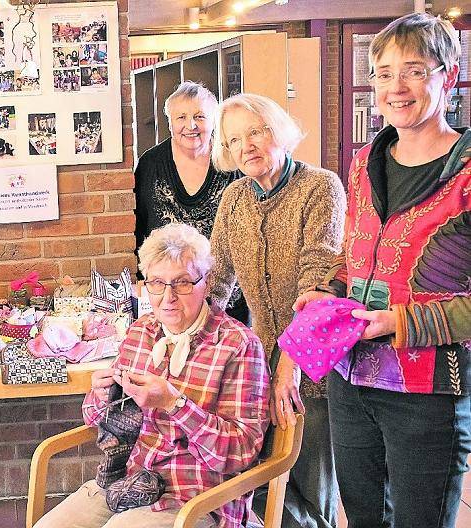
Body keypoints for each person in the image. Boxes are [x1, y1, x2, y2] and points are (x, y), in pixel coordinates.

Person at [294, 13, 470, 528]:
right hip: (353, 379)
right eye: (384, 72)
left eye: (414, 70)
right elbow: (357, 259)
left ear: (448, 75)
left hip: (429, 393)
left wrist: (401, 322)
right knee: (365, 518)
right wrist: (328, 292)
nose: (396, 87)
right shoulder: (365, 159)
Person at [34, 223, 269, 528]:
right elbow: (95, 419)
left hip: (199, 497)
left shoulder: (238, 344)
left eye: (182, 282)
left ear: (207, 283)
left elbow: (241, 452)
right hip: (128, 483)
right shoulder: (141, 331)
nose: (168, 297)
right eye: (157, 282)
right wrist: (100, 396)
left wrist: (175, 404)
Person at [208, 93, 345, 528]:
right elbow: (216, 281)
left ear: (278, 131)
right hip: (260, 366)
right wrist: (179, 332)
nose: (246, 145)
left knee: (309, 487)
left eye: (255, 131)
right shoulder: (233, 199)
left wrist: (292, 363)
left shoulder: (320, 187)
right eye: (234, 140)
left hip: (315, 369)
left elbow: (319, 280)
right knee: (265, 489)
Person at [133, 81, 248, 324]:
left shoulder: (232, 164)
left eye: (199, 116)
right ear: (170, 122)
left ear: (214, 121)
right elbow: (138, 226)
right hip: (169, 296)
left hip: (229, 297)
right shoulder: (150, 165)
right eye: (181, 117)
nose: (190, 125)